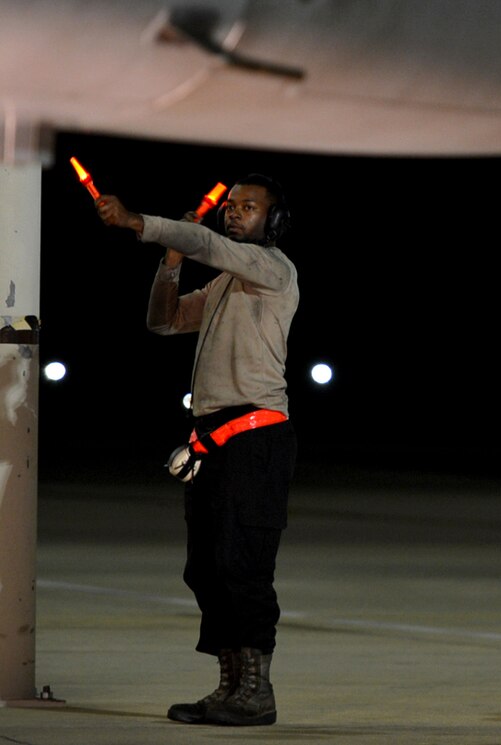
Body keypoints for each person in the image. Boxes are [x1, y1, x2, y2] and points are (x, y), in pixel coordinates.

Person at [96, 174, 299, 727]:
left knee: (243, 564)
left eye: (249, 207)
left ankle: (256, 693)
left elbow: (207, 243)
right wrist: (170, 259)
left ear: (274, 221)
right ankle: (229, 688)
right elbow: (162, 321)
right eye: (231, 205)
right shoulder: (226, 284)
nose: (234, 212)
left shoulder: (273, 269)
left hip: (254, 437)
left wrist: (139, 223)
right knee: (206, 568)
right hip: (211, 437)